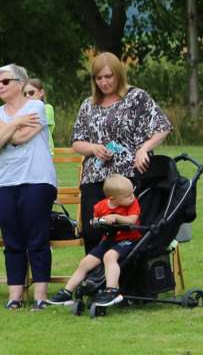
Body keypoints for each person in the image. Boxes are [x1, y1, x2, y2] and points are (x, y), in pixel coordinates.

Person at [70, 52, 171, 257]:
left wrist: (143, 148)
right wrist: (93, 148)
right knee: (93, 229)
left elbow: (163, 127)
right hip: (95, 177)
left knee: (126, 229)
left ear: (118, 75)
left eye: (109, 77)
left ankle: (125, 280)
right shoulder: (88, 105)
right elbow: (76, 142)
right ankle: (96, 280)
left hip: (127, 175)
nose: (104, 82)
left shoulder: (136, 97)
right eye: (99, 78)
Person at [0, 64, 59, 309]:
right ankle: (14, 297)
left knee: (37, 238)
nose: (0, 87)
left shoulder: (36, 106)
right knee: (12, 240)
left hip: (36, 179)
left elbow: (18, 139)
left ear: (20, 83)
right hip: (1, 182)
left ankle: (40, 296)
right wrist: (13, 123)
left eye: (5, 81)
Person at [52, 174, 140, 308]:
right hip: (109, 239)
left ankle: (112, 290)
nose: (132, 197)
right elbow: (94, 221)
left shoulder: (132, 203)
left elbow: (133, 220)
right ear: (112, 198)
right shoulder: (100, 206)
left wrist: (116, 217)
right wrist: (101, 221)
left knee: (109, 256)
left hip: (128, 239)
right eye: (128, 196)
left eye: (132, 193)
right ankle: (67, 292)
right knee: (86, 262)